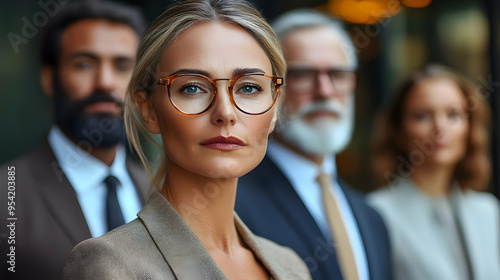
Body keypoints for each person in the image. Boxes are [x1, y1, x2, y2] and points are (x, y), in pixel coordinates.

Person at [61, 0, 311, 279]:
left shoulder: (291, 267)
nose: (225, 113)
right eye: (192, 88)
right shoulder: (112, 264)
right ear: (148, 110)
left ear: (274, 108)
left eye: (249, 87)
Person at [235, 9, 392, 280]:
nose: (324, 91)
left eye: (338, 74)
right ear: (272, 87)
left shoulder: (371, 218)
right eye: (303, 75)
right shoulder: (235, 204)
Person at [0, 1, 149, 279]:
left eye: (122, 66)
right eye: (83, 64)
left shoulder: (162, 194)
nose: (105, 82)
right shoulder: (5, 196)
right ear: (49, 78)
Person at [368, 64, 500, 280]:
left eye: (453, 115)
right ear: (399, 129)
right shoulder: (377, 214)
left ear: (469, 127)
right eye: (422, 116)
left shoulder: (488, 212)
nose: (440, 127)